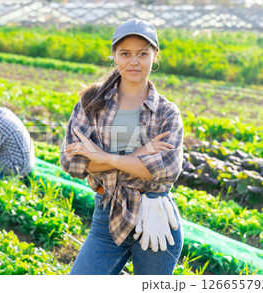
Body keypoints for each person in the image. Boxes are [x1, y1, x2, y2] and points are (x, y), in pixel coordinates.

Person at [60, 19, 184, 275]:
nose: (134, 61)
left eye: (142, 53)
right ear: (114, 56)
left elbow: (166, 170)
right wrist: (139, 157)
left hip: (156, 215)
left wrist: (102, 158)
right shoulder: (93, 102)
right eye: (125, 53)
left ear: (155, 57)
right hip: (107, 215)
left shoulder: (167, 113)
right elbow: (71, 162)